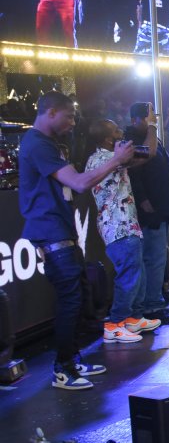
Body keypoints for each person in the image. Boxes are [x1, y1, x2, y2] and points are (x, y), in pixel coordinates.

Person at [17, 92, 113, 390]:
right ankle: (63, 368)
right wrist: (116, 160)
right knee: (70, 299)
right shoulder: (36, 144)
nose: (73, 122)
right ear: (51, 112)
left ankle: (71, 360)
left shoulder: (46, 144)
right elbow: (79, 182)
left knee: (79, 295)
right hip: (51, 231)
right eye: (69, 115)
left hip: (60, 229)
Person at [83, 118, 159, 343]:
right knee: (129, 274)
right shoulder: (106, 158)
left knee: (138, 273)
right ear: (108, 139)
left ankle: (133, 317)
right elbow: (150, 153)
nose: (122, 132)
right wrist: (152, 124)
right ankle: (115, 323)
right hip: (118, 226)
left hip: (126, 223)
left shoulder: (105, 157)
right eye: (117, 130)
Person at [126, 102, 169, 325]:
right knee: (153, 257)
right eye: (148, 117)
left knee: (158, 256)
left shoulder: (151, 138)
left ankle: (154, 298)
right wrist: (143, 199)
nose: (153, 121)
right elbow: (133, 171)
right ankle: (151, 304)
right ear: (135, 120)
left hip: (163, 205)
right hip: (150, 209)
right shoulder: (131, 139)